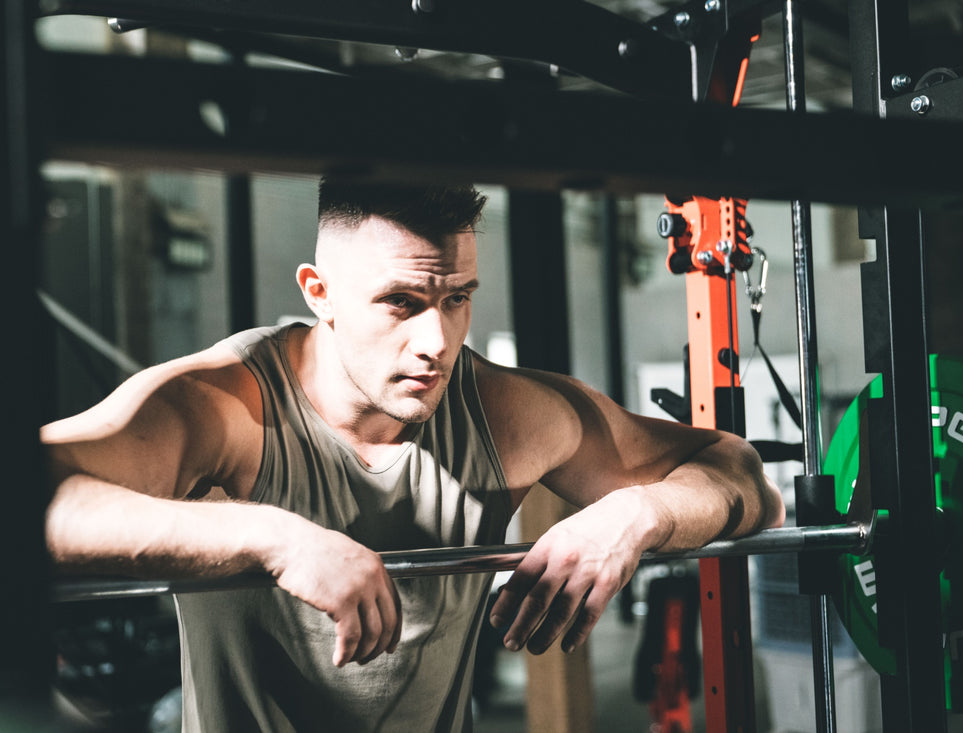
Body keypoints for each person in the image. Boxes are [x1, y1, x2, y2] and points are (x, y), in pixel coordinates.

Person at [43, 178, 785, 732]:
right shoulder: (227, 406)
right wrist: (273, 538)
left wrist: (635, 513)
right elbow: (25, 497)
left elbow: (739, 473)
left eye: (457, 297)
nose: (435, 341)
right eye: (401, 301)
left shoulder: (500, 414)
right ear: (320, 292)